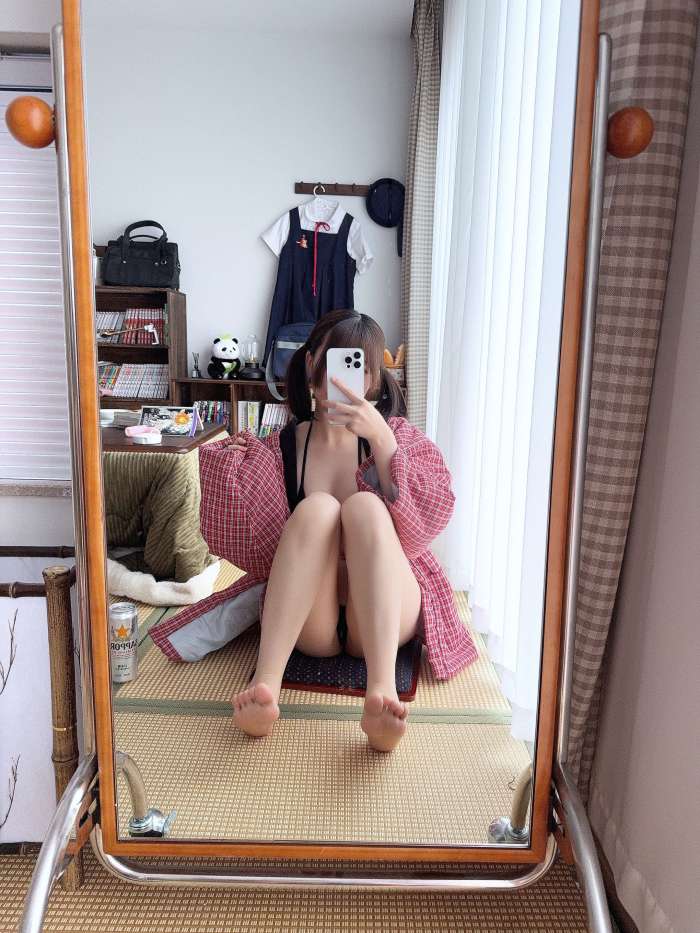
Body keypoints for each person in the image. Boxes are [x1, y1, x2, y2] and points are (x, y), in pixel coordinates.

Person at [226, 310, 477, 751]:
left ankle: (381, 693)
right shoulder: (280, 447)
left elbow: (425, 528)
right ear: (311, 365)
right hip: (313, 622)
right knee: (318, 509)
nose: (341, 378)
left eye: (357, 366)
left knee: (364, 507)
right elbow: (255, 546)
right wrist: (235, 463)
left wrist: (383, 442)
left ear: (374, 380)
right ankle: (266, 689)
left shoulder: (398, 438)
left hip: (385, 613)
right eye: (333, 361)